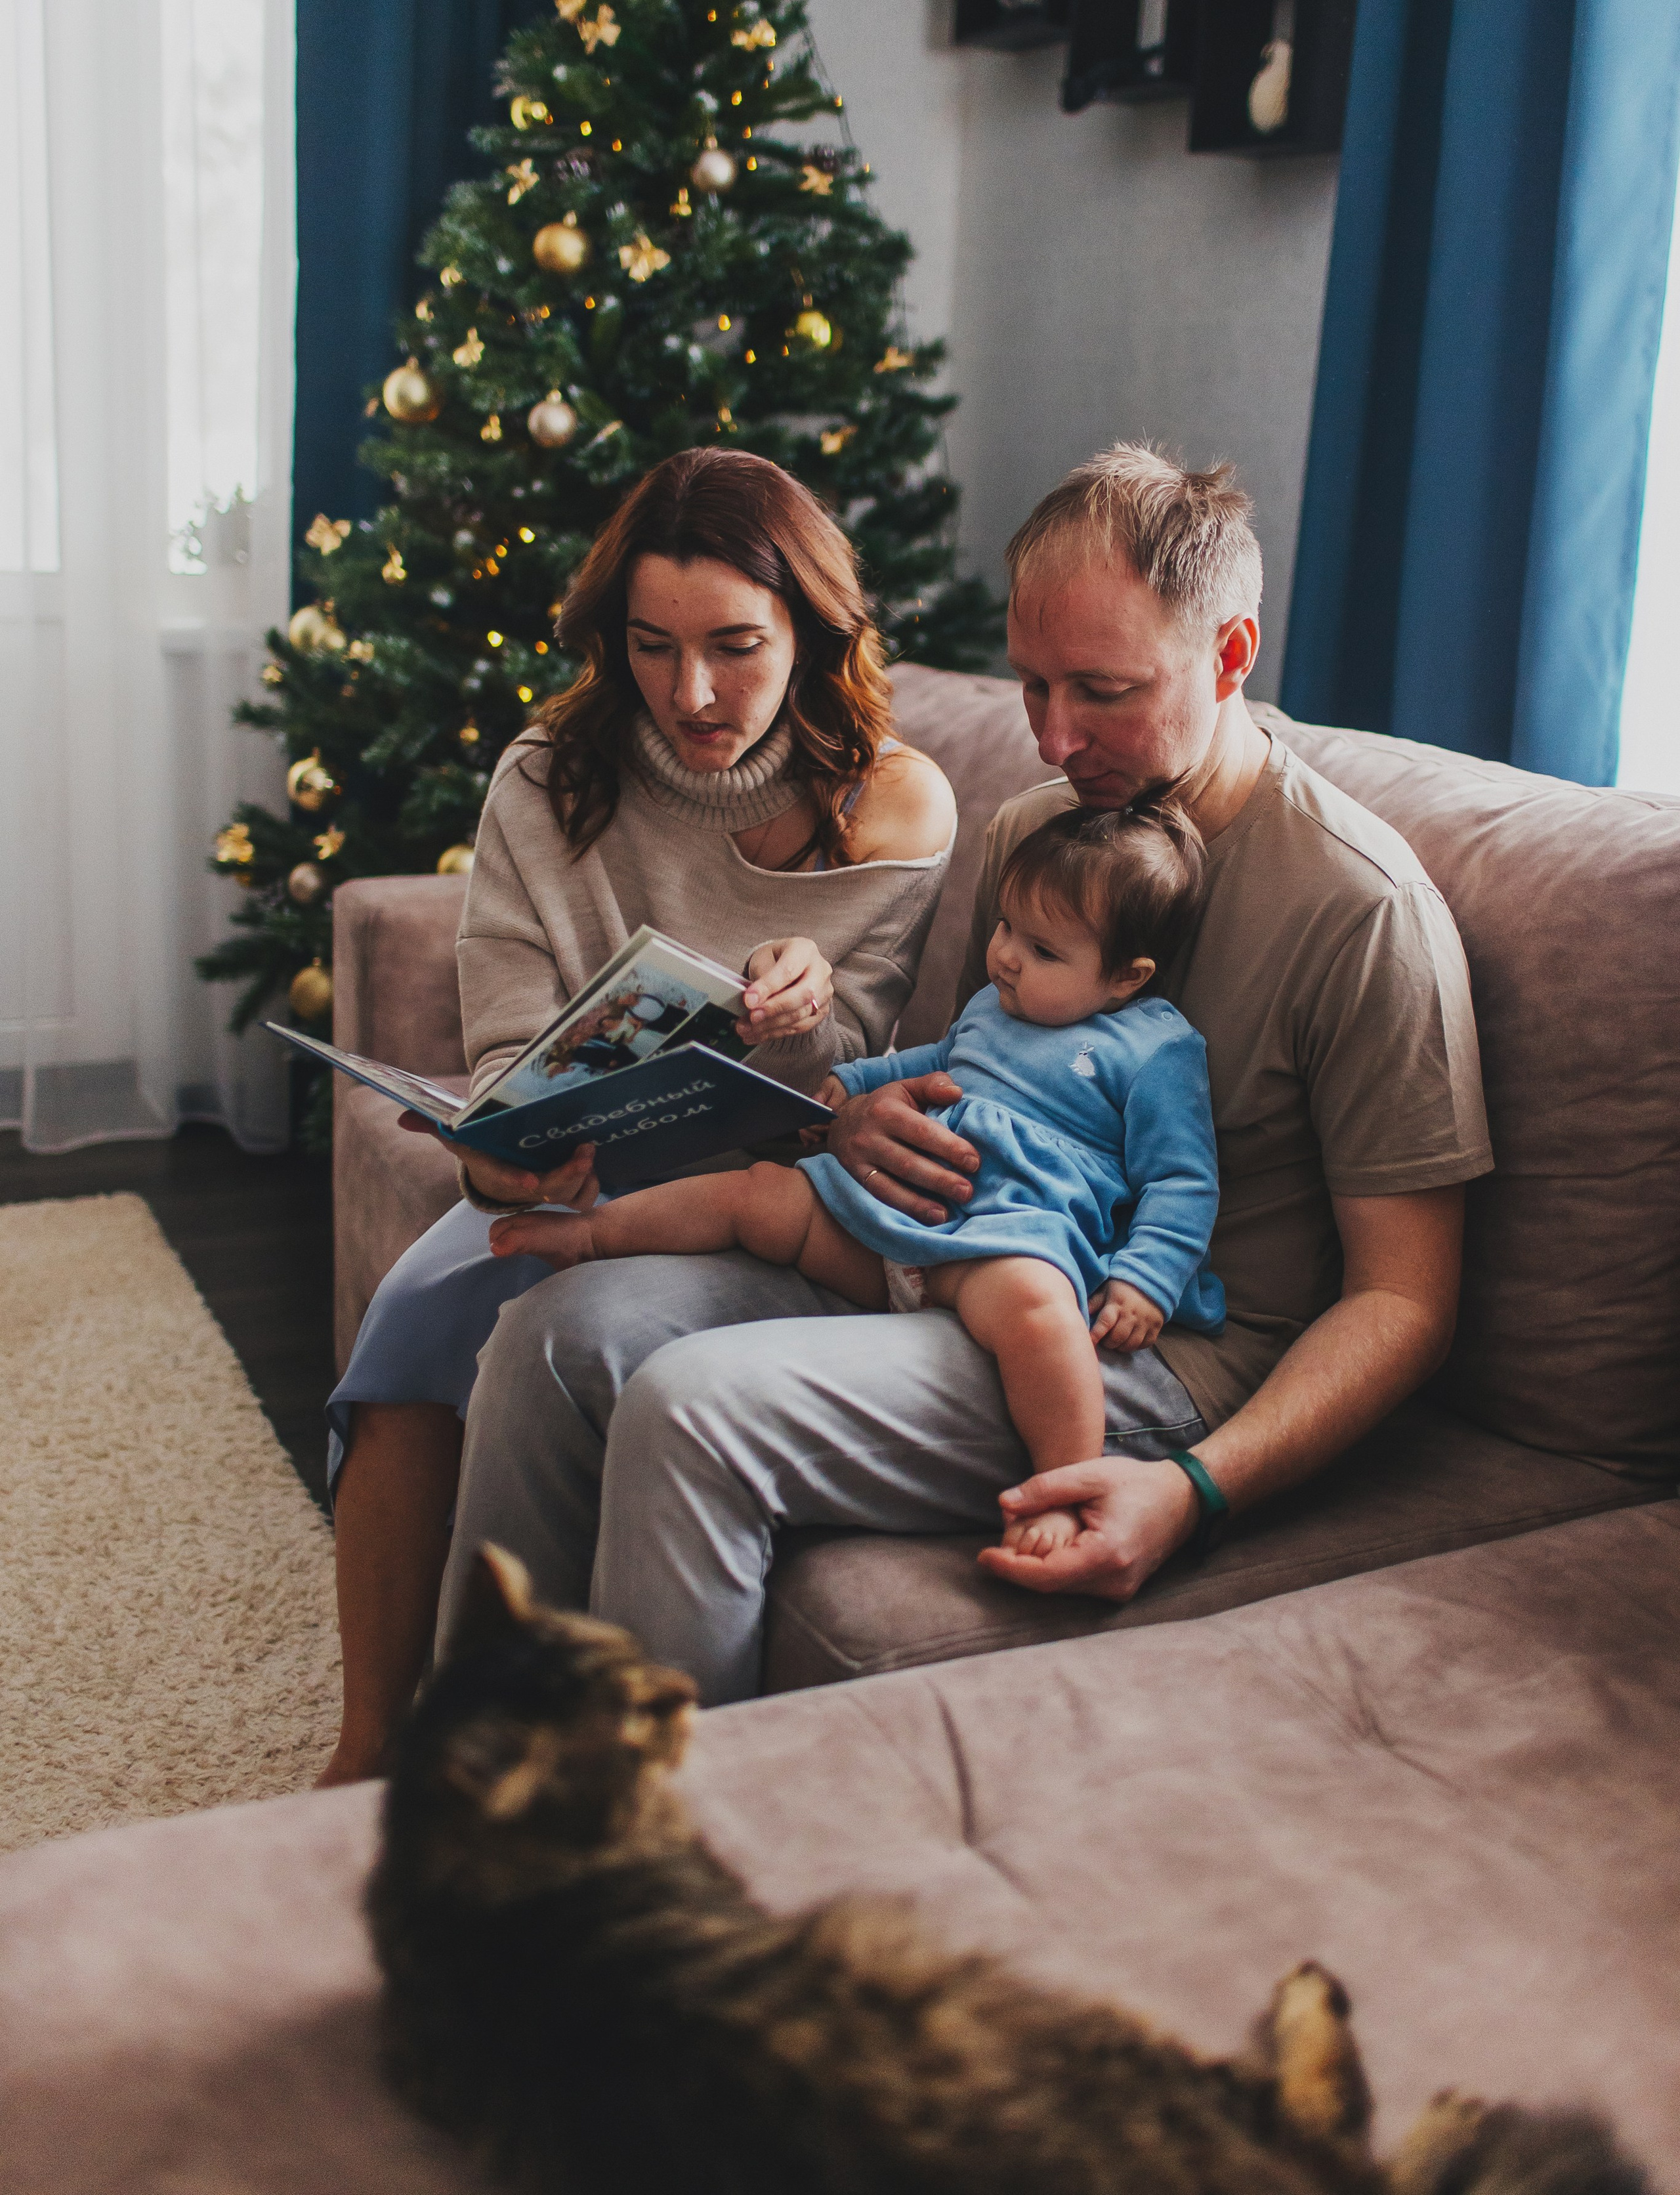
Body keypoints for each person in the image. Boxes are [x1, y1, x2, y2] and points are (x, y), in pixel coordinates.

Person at [438, 442, 1492, 1707]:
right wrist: (858, 1119)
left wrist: (1192, 1487)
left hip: (1140, 1354)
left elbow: (1406, 1305)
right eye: (1032, 685)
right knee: (551, 1340)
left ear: (1229, 654)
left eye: (1100, 691)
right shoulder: (1040, 826)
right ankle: (481, 1769)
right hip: (943, 1257)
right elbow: (969, 1078)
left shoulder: (1358, 911)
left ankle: (656, 1856)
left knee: (692, 1405)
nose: (1053, 738)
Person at [320, 447, 957, 1783]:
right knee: (408, 1337)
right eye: (653, 649)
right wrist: (511, 1165)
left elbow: (861, 1067)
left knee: (540, 1345)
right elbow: (503, 1046)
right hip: (579, 1179)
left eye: (735, 647)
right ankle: (368, 1750)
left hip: (766, 1198)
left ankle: (519, 1760)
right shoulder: (548, 778)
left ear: (813, 631)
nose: (694, 694)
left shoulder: (894, 802)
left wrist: (812, 1005)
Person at [488, 803, 1223, 1562]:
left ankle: (1066, 1485)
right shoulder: (990, 1006)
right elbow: (933, 1060)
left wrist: (1145, 1280)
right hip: (879, 1222)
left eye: (1042, 949)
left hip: (1002, 1241)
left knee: (1043, 1318)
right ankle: (594, 1234)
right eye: (1005, 927)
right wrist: (854, 1081)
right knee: (755, 1196)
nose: (1004, 956)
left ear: (1126, 976)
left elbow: (1182, 1181)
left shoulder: (1154, 1049)